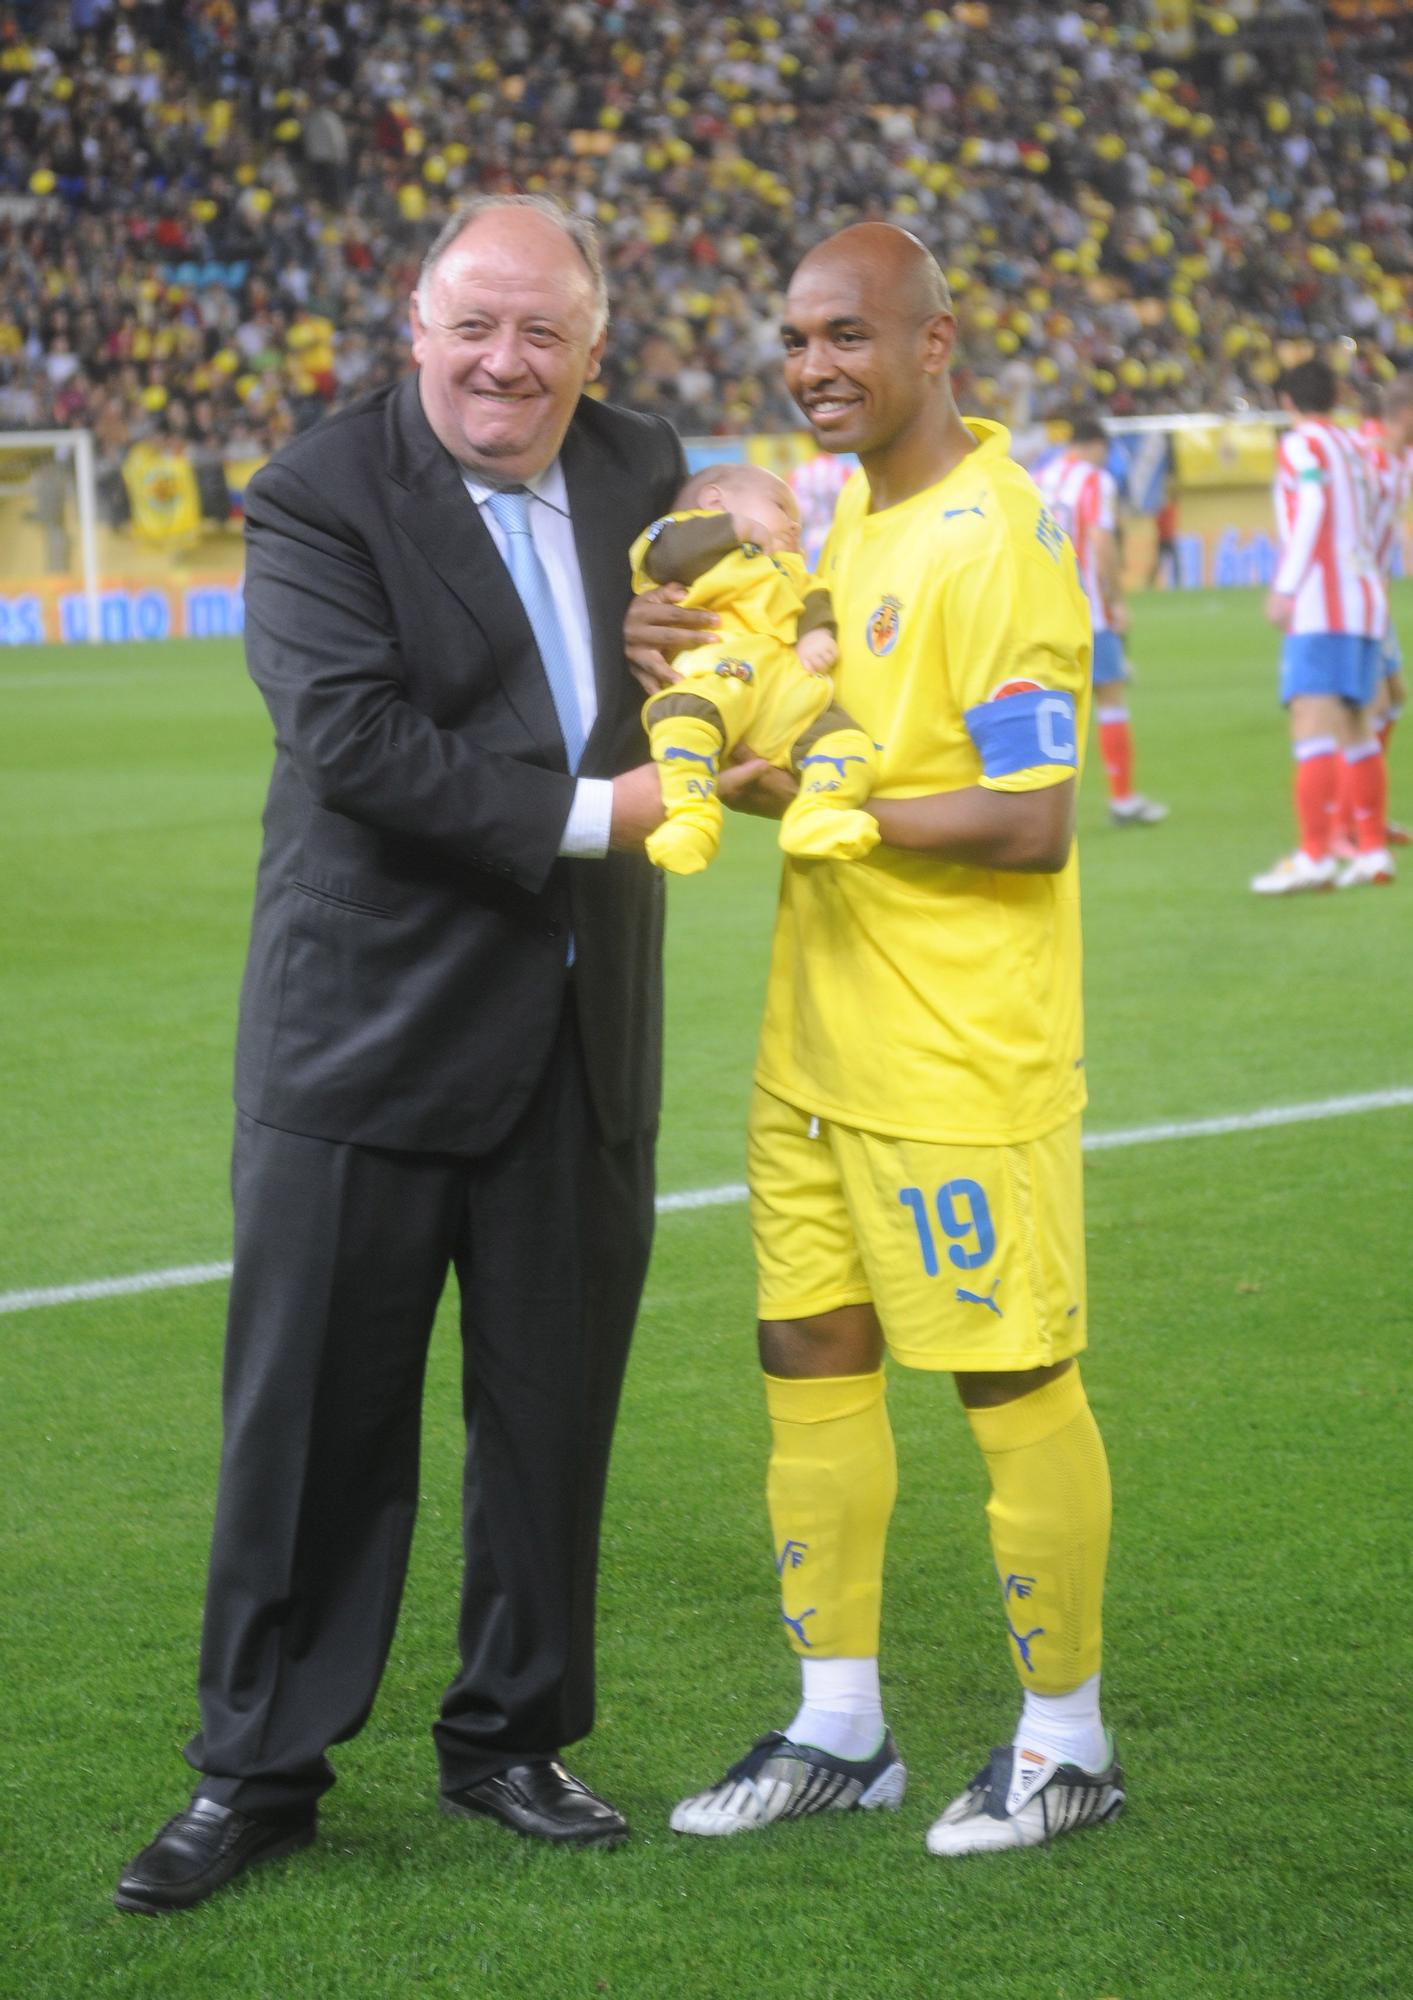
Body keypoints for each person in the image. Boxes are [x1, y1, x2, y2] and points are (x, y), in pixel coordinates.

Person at [114, 194, 681, 1917]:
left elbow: (712, 649)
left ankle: (510, 1735)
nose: (504, 363)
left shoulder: (646, 474)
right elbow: (353, 740)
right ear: (410, 327)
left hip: (579, 1034)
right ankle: (258, 1771)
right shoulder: (314, 492)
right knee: (311, 1426)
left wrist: (757, 660)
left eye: (543, 335)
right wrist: (609, 808)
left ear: (595, 350)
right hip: (364, 1033)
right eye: (473, 326)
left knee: (548, 1415)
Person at [637, 223, 1123, 1858]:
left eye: (845, 334)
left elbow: (1031, 818)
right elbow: (811, 698)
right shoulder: (849, 511)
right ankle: (838, 1729)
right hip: (813, 1041)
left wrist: (809, 807)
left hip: (957, 1050)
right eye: (792, 339)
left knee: (1004, 1376)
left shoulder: (998, 542)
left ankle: (1066, 1743)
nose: (812, 367)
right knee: (807, 1362)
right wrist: (707, 671)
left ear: (933, 342)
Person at [634, 462, 879, 875]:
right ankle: (692, 818)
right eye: (782, 508)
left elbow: (814, 597)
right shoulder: (681, 535)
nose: (794, 526)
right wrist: (735, 530)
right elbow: (667, 554)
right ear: (714, 501)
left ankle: (819, 812)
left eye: (799, 521)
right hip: (718, 672)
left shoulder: (790, 568)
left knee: (846, 743)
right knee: (681, 721)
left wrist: (817, 634)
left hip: (787, 689)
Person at [1252, 358, 1391, 895]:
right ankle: (1373, 852)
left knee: (1311, 724)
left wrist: (1287, 586)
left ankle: (1314, 856)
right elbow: (1378, 507)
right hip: (1365, 600)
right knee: (1358, 729)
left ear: (1287, 401)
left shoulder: (1301, 444)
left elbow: (1310, 506)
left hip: (1322, 605)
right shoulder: (1356, 444)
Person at [1034, 414, 1169, 827]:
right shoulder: (1096, 480)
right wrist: (1114, 597)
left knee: (1051, 707)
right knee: (1110, 698)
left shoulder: (1040, 477)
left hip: (1042, 610)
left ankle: (1044, 812)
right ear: (1097, 446)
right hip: (1088, 608)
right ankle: (1123, 799)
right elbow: (1100, 539)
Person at [1353, 373, 1413, 848]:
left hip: (1377, 595)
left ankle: (1368, 813)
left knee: (1394, 698)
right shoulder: (1364, 457)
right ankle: (1359, 824)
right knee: (1369, 708)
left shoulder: (1402, 458)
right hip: (1354, 597)